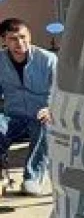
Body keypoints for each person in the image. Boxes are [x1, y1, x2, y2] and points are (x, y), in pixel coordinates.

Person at [0, 18, 55, 196]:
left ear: (29, 36)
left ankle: (32, 178)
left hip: (40, 115)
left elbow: (61, 91)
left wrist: (51, 109)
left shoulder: (48, 60)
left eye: (23, 37)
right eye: (13, 39)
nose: (20, 43)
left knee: (46, 125)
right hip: (12, 117)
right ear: (4, 40)